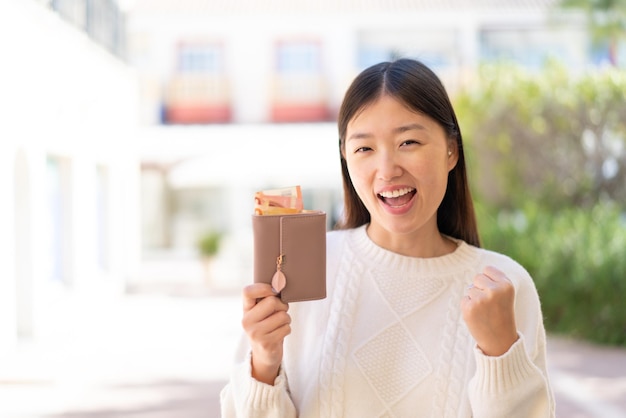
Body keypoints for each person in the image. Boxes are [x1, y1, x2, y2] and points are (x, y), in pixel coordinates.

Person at [220, 58, 555, 417]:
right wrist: (263, 364)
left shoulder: (504, 286)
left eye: (408, 141)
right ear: (346, 159)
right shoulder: (303, 269)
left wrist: (501, 353)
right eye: (364, 148)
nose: (387, 169)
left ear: (451, 151)